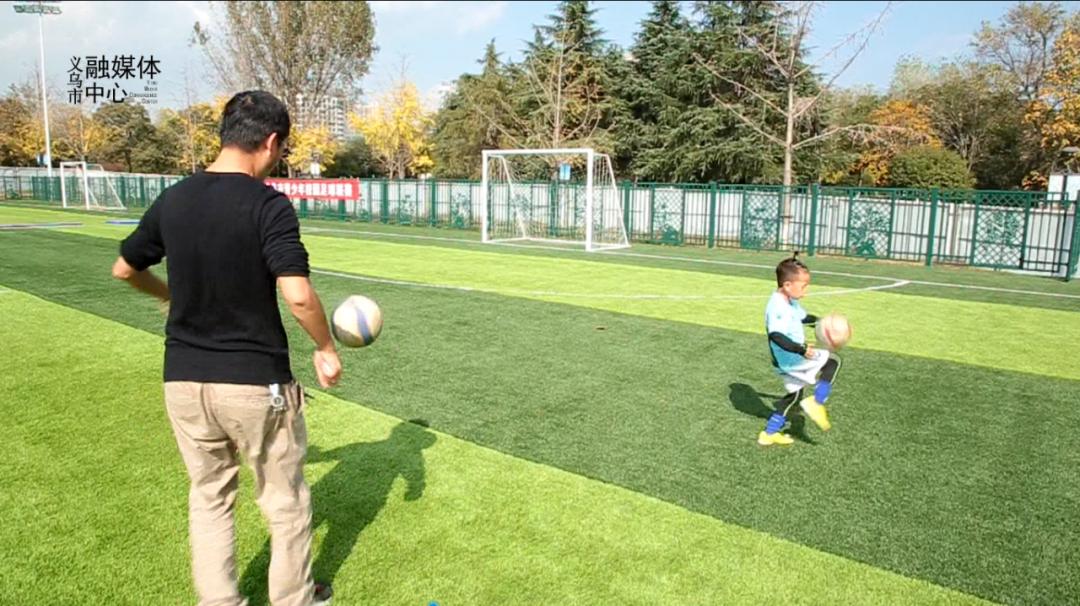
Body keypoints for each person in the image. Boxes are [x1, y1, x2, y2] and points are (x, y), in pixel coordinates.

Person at [111, 90, 341, 605]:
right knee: (284, 501)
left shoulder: (174, 199)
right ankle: (295, 599)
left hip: (184, 382)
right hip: (255, 384)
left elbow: (125, 268)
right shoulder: (269, 205)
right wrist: (325, 347)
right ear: (272, 141)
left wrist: (169, 297)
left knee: (210, 498)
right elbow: (298, 294)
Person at [758, 252, 840, 446]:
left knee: (793, 397)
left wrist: (823, 322)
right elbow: (776, 336)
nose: (806, 290)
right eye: (803, 286)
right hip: (790, 359)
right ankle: (817, 401)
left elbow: (803, 318)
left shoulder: (790, 301)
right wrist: (801, 349)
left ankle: (769, 434)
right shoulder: (777, 306)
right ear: (787, 285)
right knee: (833, 362)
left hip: (790, 358)